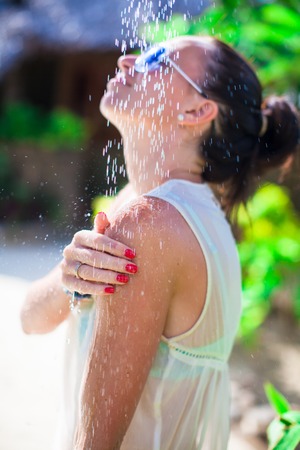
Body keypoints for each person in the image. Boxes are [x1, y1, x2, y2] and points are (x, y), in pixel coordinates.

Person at [21, 36, 299, 450]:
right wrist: (71, 278)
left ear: (197, 110)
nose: (129, 60)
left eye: (158, 59)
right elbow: (29, 319)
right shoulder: (154, 207)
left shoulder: (149, 224)